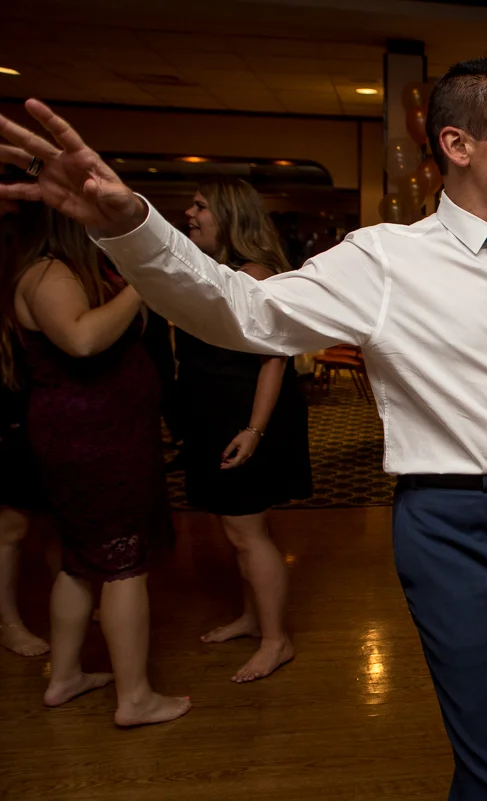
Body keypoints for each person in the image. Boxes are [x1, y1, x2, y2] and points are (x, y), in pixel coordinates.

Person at [0, 58, 487, 799]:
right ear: (458, 144)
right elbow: (240, 311)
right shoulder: (384, 259)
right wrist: (133, 227)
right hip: (457, 527)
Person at [1, 201, 188, 726]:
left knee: (81, 562)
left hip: (105, 434)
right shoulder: (46, 272)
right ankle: (135, 698)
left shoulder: (74, 268)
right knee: (123, 562)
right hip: (91, 439)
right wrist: (140, 284)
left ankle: (65, 677)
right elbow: (81, 339)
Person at [176, 177, 312, 684]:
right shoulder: (225, 270)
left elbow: (275, 357)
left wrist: (254, 429)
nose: (190, 213)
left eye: (200, 206)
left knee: (247, 533)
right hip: (220, 411)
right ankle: (254, 617)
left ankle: (277, 641)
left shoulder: (254, 274)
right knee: (240, 533)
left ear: (230, 214)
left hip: (245, 415)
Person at [0, 197, 49, 658]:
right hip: (10, 410)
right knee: (12, 527)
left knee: (47, 515)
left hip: (33, 404)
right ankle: (9, 622)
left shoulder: (33, 267)